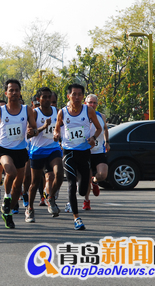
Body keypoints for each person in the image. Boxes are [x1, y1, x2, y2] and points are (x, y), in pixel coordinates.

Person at [0, 79, 38, 229]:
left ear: (20, 92)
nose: (14, 93)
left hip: (20, 149)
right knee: (9, 171)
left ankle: (8, 212)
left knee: (19, 185)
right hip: (3, 148)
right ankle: (6, 198)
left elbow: (34, 129)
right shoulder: (0, 110)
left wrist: (32, 131)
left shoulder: (27, 110)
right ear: (6, 93)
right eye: (11, 90)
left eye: (17, 90)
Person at [54, 84, 102, 230]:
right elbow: (57, 130)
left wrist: (93, 137)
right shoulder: (62, 112)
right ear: (68, 96)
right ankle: (76, 217)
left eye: (79, 94)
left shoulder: (88, 111)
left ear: (83, 97)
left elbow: (99, 128)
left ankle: (87, 186)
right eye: (73, 94)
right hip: (68, 152)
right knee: (71, 184)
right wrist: (56, 136)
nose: (76, 97)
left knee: (82, 189)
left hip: (84, 152)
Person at [27, 87, 64, 222]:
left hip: (53, 148)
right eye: (45, 97)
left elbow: (62, 129)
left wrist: (58, 135)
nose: (48, 100)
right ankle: (29, 209)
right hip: (37, 150)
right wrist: (44, 126)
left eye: (50, 98)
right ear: (38, 99)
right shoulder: (34, 113)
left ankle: (50, 197)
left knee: (59, 174)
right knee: (35, 183)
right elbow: (29, 133)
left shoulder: (57, 112)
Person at [83, 94, 110, 210]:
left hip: (98, 151)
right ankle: (86, 201)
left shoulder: (101, 116)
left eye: (94, 103)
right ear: (86, 103)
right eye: (90, 102)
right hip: (85, 151)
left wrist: (107, 141)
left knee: (103, 175)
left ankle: (95, 182)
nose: (92, 105)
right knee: (86, 178)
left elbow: (105, 130)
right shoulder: (81, 115)